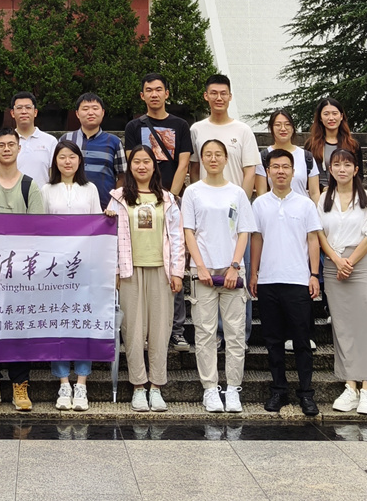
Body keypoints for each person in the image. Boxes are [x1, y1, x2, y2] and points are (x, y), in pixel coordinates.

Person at [0, 126, 46, 410]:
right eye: (1, 145)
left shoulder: (30, 187)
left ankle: (20, 384)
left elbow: (37, 231)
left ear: (18, 148)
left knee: (20, 328)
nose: (6, 149)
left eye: (10, 145)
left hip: (22, 272)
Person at [106, 144, 184, 412]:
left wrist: (177, 272)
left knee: (161, 330)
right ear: (130, 167)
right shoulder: (118, 197)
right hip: (130, 271)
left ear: (154, 166)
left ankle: (156, 386)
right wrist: (115, 271)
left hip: (161, 271)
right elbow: (110, 237)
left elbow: (177, 238)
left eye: (146, 161)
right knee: (133, 331)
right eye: (136, 162)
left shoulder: (168, 199)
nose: (141, 166)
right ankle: (138, 386)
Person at [180, 138, 255, 413]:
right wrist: (199, 266)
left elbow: (244, 231)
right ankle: (210, 388)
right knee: (205, 333)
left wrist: (235, 265)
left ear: (226, 159)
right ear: (202, 159)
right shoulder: (193, 192)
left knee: (235, 333)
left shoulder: (237, 192)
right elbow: (188, 231)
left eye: (218, 154)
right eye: (208, 154)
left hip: (232, 270)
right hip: (202, 271)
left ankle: (233, 388)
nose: (213, 159)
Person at [249, 149, 322, 415]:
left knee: (302, 340)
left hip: (298, 280)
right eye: (275, 167)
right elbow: (257, 239)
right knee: (273, 340)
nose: (280, 171)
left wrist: (314, 274)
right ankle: (278, 390)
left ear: (293, 171)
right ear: (268, 172)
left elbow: (313, 239)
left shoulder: (306, 204)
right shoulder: (259, 204)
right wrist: (254, 272)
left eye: (286, 167)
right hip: (269, 280)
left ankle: (306, 393)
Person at [124, 73, 193, 349]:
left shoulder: (180, 125)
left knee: (173, 261)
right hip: (141, 200)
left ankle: (176, 329)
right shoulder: (134, 126)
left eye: (159, 89)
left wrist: (170, 197)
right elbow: (134, 162)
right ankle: (142, 331)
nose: (154, 94)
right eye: (149, 90)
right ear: (142, 95)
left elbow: (183, 163)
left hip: (169, 201)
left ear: (167, 93)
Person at [318, 147, 367, 415]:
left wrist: (349, 262)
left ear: (356, 169)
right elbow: (319, 233)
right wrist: (337, 261)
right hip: (333, 265)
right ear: (330, 170)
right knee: (343, 326)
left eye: (347, 165)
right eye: (337, 165)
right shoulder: (324, 198)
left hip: (360, 263)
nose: (342, 169)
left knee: (366, 324)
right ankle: (350, 386)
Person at [43, 139, 104, 411]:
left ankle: (81, 383)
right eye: (62, 157)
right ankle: (63, 383)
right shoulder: (46, 190)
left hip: (83, 267)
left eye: (72, 156)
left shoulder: (90, 189)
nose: (67, 161)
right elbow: (40, 228)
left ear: (80, 160)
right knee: (56, 321)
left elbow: (97, 224)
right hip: (54, 268)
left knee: (82, 321)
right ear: (55, 161)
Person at [190, 75, 260, 197]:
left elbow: (250, 172)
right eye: (214, 93)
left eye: (223, 94)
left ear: (230, 96)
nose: (219, 98)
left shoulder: (243, 130)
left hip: (233, 201)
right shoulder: (196, 130)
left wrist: (241, 202)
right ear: (206, 96)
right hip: (205, 201)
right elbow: (194, 169)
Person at [60, 92, 124, 207]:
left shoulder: (114, 142)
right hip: (69, 206)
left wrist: (115, 203)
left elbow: (122, 176)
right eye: (85, 109)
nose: (90, 113)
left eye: (95, 108)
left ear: (102, 112)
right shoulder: (66, 139)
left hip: (105, 207)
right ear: (77, 113)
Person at [255, 109, 320, 201]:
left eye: (287, 124)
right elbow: (261, 193)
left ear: (293, 128)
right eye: (278, 125)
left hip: (302, 208)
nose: (283, 128)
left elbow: (315, 193)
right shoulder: (263, 157)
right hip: (275, 208)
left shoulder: (307, 157)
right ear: (271, 128)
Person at [305, 96, 360, 177]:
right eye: (326, 114)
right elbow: (307, 173)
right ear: (320, 118)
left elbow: (359, 175)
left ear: (341, 116)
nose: (331, 118)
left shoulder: (352, 144)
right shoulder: (311, 144)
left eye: (335, 113)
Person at [10, 90, 56, 185]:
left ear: (35, 112)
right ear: (12, 113)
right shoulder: (6, 142)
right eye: (19, 108)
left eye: (28, 107)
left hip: (42, 194)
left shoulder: (50, 141)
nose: (24, 112)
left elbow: (54, 175)